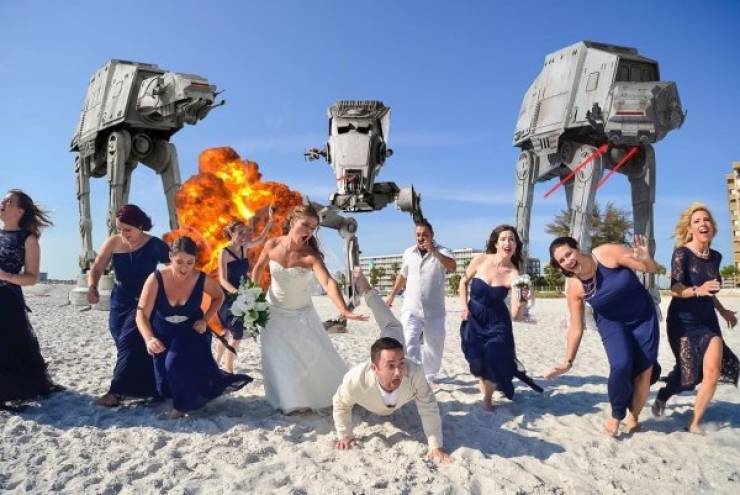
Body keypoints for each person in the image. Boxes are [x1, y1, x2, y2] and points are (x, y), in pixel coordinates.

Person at [251, 204, 367, 413]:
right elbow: (258, 269)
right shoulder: (272, 244)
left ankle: (335, 394)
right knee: (278, 356)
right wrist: (251, 296)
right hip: (273, 312)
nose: (309, 231)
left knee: (315, 356)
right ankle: (288, 402)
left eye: (313, 228)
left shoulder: (311, 256)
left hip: (301, 313)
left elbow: (328, 282)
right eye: (305, 225)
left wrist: (344, 309)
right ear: (292, 222)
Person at [546, 235, 660, 437]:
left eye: (569, 254)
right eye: (561, 260)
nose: (568, 261)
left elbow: (650, 269)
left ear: (577, 247)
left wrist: (645, 259)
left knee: (645, 371)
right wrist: (567, 361)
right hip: (611, 322)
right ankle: (617, 415)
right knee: (621, 364)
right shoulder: (575, 287)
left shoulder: (607, 253)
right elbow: (576, 327)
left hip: (643, 317)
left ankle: (634, 416)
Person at [333, 268, 451, 463]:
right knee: (389, 337)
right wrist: (344, 435)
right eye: (390, 367)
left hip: (394, 340)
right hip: (374, 374)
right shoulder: (356, 379)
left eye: (401, 364)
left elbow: (428, 407)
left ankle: (367, 289)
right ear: (374, 369)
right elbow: (340, 403)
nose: (398, 372)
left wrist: (435, 447)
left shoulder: (413, 371)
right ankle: (365, 287)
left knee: (393, 327)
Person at [136, 236, 252, 418]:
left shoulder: (201, 278)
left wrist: (205, 319)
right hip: (162, 331)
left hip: (190, 330)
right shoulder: (156, 278)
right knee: (163, 384)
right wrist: (149, 338)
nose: (184, 268)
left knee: (174, 364)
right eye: (179, 262)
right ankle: (187, 394)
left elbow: (219, 297)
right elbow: (141, 314)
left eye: (190, 263)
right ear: (170, 257)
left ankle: (180, 408)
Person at [652, 203, 738, 432]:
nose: (703, 223)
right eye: (697, 221)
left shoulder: (716, 257)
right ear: (690, 229)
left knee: (712, 372)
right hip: (683, 322)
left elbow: (710, 290)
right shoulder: (682, 253)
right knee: (688, 378)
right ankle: (664, 394)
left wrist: (723, 311)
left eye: (706, 220)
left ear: (713, 227)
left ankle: (694, 423)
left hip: (707, 320)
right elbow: (676, 288)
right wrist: (698, 289)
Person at [88, 204, 169, 407]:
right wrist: (92, 287)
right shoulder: (113, 242)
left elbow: (175, 266)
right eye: (119, 229)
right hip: (119, 301)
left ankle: (115, 393)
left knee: (128, 341)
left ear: (140, 226)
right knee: (124, 343)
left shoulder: (155, 245)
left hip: (144, 302)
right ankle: (149, 387)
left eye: (128, 230)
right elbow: (97, 268)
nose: (123, 234)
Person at [458, 225, 542, 410]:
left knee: (493, 354)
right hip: (474, 317)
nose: (508, 242)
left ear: (516, 246)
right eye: (503, 239)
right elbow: (463, 282)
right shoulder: (480, 260)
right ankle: (485, 380)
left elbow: (515, 315)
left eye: (512, 239)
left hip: (498, 322)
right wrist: (464, 307)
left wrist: (522, 301)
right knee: (476, 358)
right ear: (495, 244)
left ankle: (487, 399)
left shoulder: (515, 275)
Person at [0, 189, 57, 409]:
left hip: (7, 301)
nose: (2, 203)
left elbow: (32, 278)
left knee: (9, 348)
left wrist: (5, 276)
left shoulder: (28, 239)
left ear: (20, 211)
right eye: (3, 200)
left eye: (8, 201)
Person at [386, 219, 456, 383]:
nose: (421, 237)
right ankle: (414, 376)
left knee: (434, 346)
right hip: (411, 308)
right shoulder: (408, 253)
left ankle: (429, 376)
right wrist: (392, 295)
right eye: (418, 234)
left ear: (432, 235)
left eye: (425, 234)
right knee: (409, 341)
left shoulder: (443, 251)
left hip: (434, 311)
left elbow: (452, 267)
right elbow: (403, 275)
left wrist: (434, 252)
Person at [214, 208, 273, 373]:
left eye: (244, 232)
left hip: (243, 295)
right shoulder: (224, 252)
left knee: (230, 332)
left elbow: (261, 239)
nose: (243, 236)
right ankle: (225, 368)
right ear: (231, 233)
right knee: (231, 333)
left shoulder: (244, 247)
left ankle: (223, 367)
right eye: (240, 232)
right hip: (227, 297)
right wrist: (236, 294)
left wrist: (270, 222)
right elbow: (222, 279)